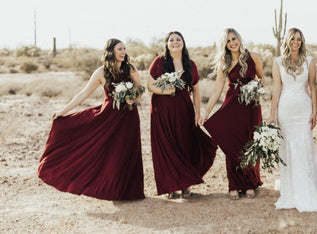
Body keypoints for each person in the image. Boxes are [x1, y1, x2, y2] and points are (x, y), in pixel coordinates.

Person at [38, 38, 145, 201]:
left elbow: (140, 89)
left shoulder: (130, 68)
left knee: (128, 149)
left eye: (124, 49)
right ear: (111, 52)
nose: (123, 52)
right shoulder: (101, 72)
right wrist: (63, 110)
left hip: (129, 116)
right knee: (111, 152)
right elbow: (83, 94)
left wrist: (134, 98)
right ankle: (113, 190)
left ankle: (131, 191)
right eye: (119, 49)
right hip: (108, 117)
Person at [147, 31, 217, 199]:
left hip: (184, 109)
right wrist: (165, 90)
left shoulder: (190, 64)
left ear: (183, 43)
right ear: (167, 44)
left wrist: (198, 112)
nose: (175, 42)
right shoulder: (159, 62)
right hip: (161, 109)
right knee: (166, 146)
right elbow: (150, 86)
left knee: (184, 144)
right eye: (171, 40)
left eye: (178, 39)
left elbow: (196, 90)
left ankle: (185, 185)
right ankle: (170, 187)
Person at [268, 28, 317, 212]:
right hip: (285, 110)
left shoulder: (310, 61)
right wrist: (272, 114)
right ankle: (290, 190)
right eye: (292, 38)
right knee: (288, 149)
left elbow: (313, 87)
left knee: (303, 147)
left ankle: (307, 190)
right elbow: (276, 90)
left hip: (303, 108)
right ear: (287, 40)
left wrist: (315, 111)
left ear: (302, 41)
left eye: (299, 39)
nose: (296, 42)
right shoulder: (277, 62)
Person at [202, 28, 264, 200]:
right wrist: (206, 111)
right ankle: (235, 184)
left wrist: (255, 89)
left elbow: (261, 78)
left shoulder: (254, 56)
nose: (232, 43)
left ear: (239, 39)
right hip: (233, 105)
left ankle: (250, 182)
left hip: (251, 106)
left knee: (250, 141)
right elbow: (217, 89)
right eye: (228, 41)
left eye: (234, 38)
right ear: (225, 45)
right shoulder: (225, 63)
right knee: (232, 143)